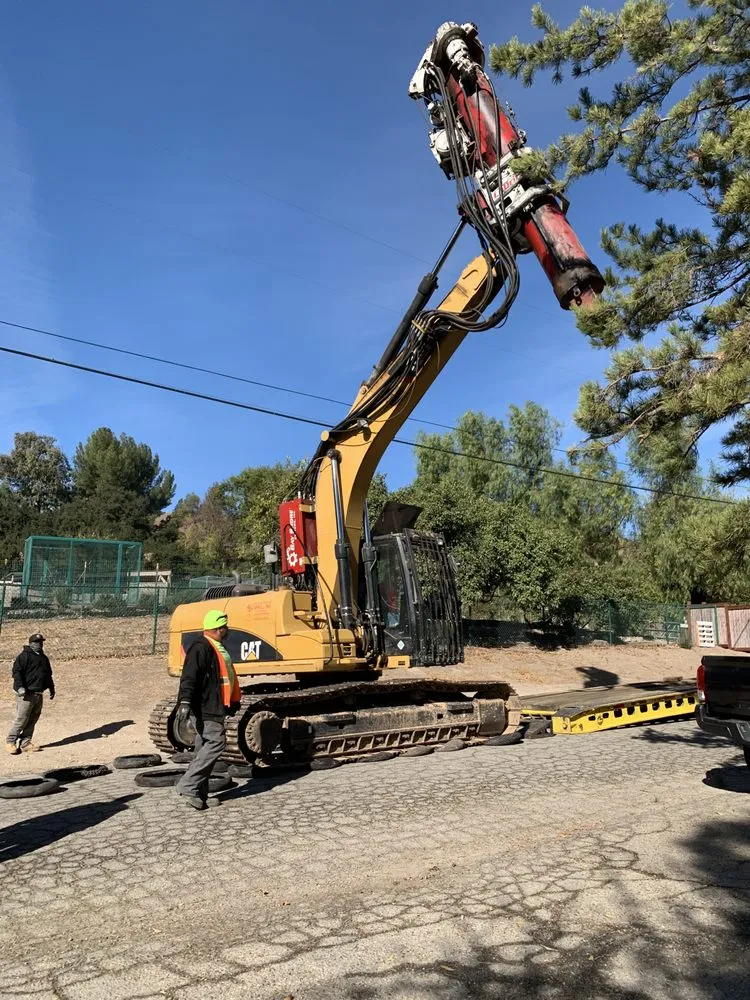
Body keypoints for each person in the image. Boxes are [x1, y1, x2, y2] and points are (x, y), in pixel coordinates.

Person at [174, 609, 241, 811]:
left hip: (214, 704)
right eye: (225, 627)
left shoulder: (215, 647)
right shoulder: (201, 648)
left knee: (203, 747)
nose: (228, 630)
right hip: (205, 706)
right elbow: (189, 677)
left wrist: (232, 702)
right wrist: (185, 701)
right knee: (216, 743)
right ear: (219, 629)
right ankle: (188, 784)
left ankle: (199, 795)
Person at [6, 633, 55, 754]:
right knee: (22, 718)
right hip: (26, 694)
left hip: (39, 693)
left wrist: (51, 688)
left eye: (41, 642)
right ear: (31, 644)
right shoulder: (24, 656)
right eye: (37, 643)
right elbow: (16, 673)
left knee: (33, 719)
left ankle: (26, 742)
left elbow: (48, 675)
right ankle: (11, 742)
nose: (40, 645)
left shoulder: (44, 658)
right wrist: (20, 687)